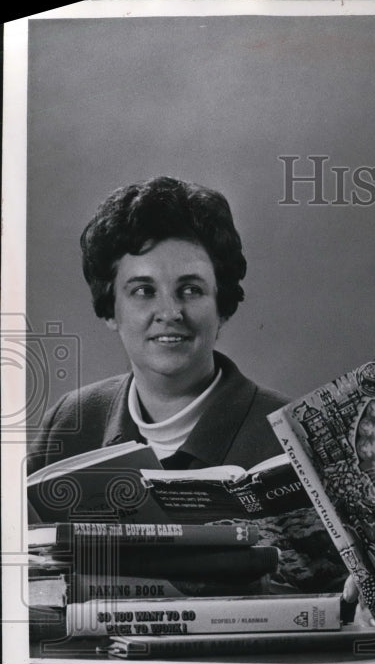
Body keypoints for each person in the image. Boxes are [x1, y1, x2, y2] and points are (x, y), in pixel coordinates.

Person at [28, 176, 288, 477]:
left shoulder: (290, 434)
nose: (169, 312)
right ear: (110, 309)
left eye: (191, 289)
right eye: (143, 291)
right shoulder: (70, 421)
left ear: (222, 306)